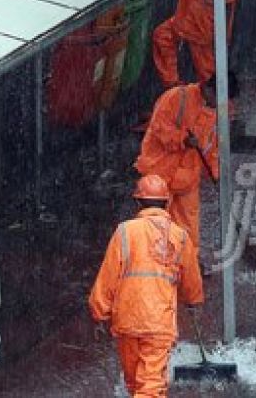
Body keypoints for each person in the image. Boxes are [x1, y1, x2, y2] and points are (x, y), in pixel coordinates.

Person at [89, 175, 204, 398]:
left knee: (134, 383)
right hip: (159, 322)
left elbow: (108, 275)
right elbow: (191, 278)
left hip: (128, 320)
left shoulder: (124, 232)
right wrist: (193, 301)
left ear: (138, 203)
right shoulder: (179, 236)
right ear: (167, 202)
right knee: (150, 385)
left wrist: (99, 311)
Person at [134, 80, 218, 253]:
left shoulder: (215, 113)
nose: (217, 103)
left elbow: (212, 147)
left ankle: (187, 263)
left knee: (188, 227)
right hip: (159, 174)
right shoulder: (177, 97)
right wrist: (182, 140)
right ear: (209, 89)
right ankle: (154, 261)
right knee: (154, 224)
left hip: (187, 177)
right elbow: (159, 128)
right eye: (216, 98)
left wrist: (215, 174)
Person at [151, 0, 239, 88]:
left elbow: (229, 5)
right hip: (185, 21)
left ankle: (215, 101)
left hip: (202, 32)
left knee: (210, 79)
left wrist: (222, 37)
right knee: (162, 36)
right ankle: (174, 88)